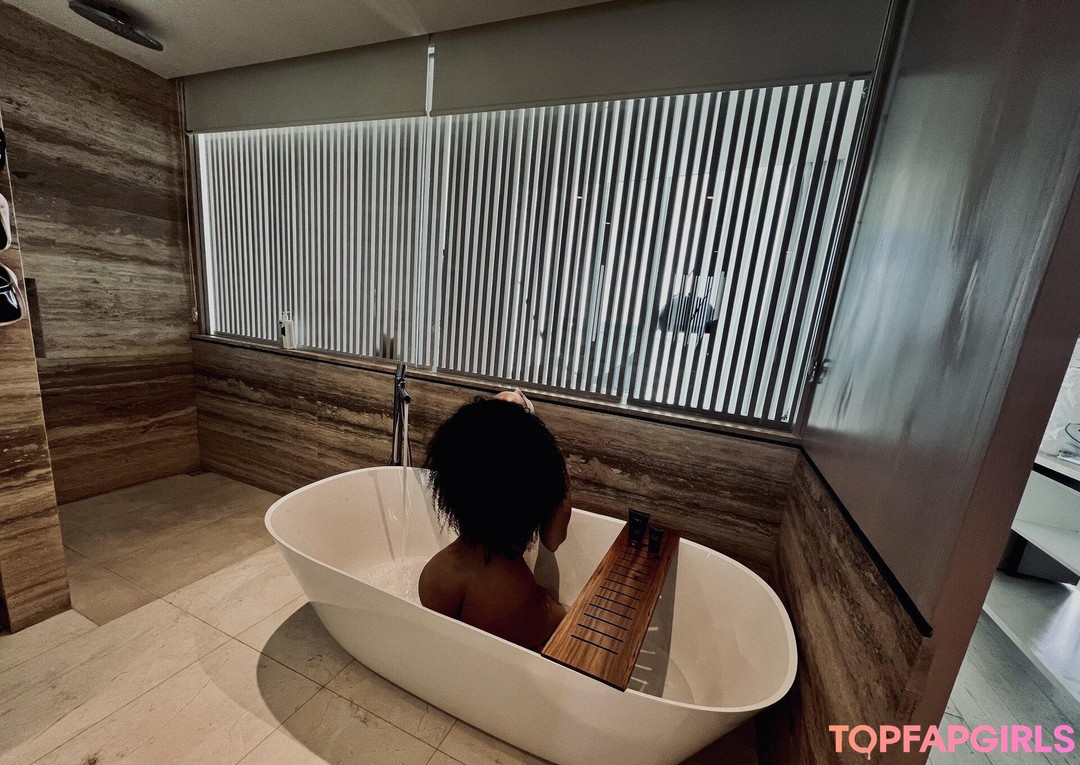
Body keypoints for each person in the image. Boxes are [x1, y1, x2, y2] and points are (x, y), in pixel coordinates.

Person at [419, 391, 571, 649]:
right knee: (565, 616)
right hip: (504, 597)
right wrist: (561, 478)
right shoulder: (538, 467)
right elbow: (553, 541)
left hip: (440, 576)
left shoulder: (464, 452)